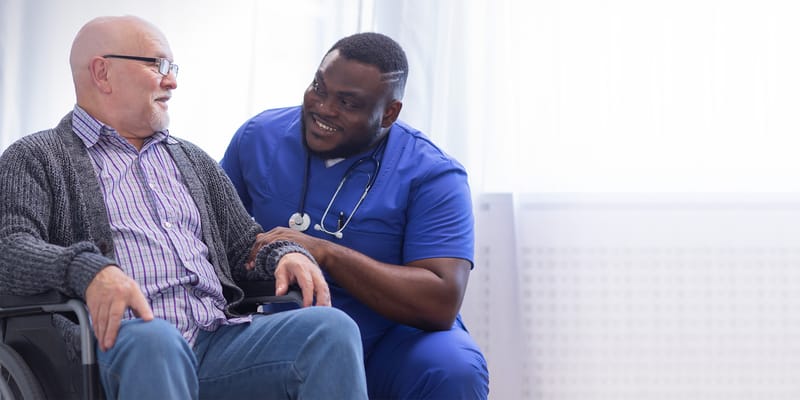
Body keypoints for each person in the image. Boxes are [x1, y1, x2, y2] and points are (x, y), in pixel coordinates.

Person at [0, 15, 368, 400]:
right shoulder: (36, 158)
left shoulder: (192, 160)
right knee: (158, 342)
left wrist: (283, 255)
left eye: (172, 68)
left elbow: (245, 244)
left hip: (217, 339)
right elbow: (10, 249)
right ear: (102, 72)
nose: (172, 81)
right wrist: (89, 271)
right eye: (158, 65)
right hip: (120, 344)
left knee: (331, 329)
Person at [221, 32, 489, 399]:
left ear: (389, 113)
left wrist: (325, 252)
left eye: (348, 103)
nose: (324, 109)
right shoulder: (258, 138)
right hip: (278, 328)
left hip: (388, 340)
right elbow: (212, 241)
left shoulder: (433, 174)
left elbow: (439, 301)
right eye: (319, 87)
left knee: (452, 368)